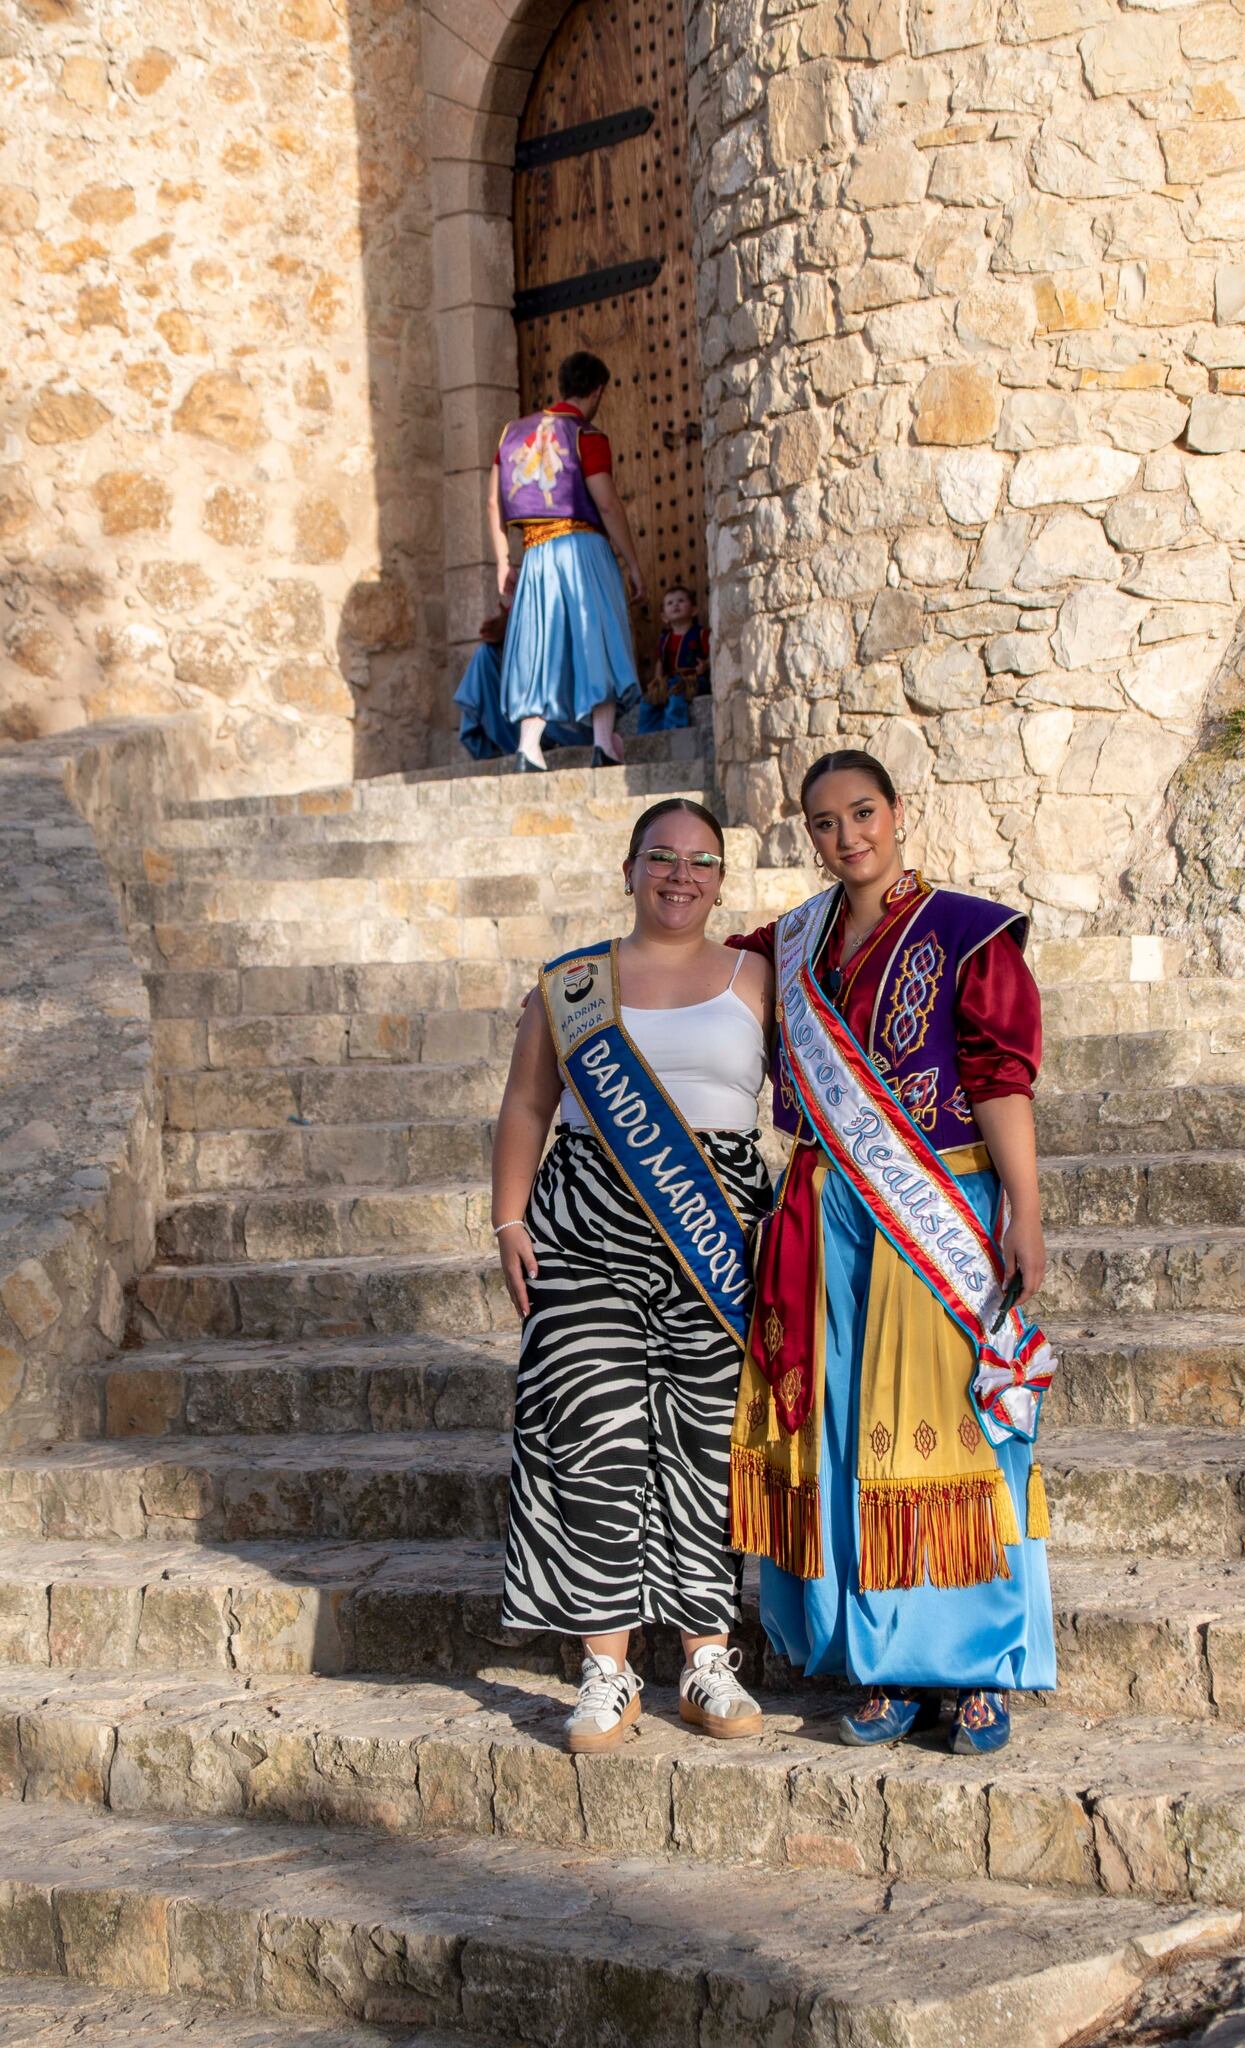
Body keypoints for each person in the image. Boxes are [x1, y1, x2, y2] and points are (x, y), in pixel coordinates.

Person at [726, 749, 1055, 1754]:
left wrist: (1025, 1209)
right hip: (825, 1212)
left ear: (899, 811)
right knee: (842, 1430)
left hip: (937, 1198)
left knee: (946, 1424)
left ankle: (981, 1664)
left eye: (861, 812)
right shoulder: (788, 946)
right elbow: (691, 993)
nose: (846, 836)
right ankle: (888, 1663)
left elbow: (999, 1076)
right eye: (823, 823)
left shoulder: (967, 932)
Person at [495, 798, 774, 1753]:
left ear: (721, 882)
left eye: (700, 863)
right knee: (592, 1433)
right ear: (628, 868)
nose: (680, 876)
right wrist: (505, 1219)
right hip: (584, 1225)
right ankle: (605, 1670)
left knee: (703, 1440)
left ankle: (704, 1660)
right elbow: (528, 1106)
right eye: (662, 858)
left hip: (717, 1229)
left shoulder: (758, 979)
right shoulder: (572, 984)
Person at [488, 350, 645, 774]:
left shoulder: (511, 434)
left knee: (538, 649)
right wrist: (631, 562)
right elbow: (607, 504)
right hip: (583, 549)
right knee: (598, 640)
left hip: (536, 553)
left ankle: (528, 747)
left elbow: (493, 501)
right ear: (596, 391)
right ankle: (602, 744)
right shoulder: (586, 435)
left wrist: (504, 561)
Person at [452, 607, 588, 762]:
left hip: (568, 702)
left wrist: (514, 626)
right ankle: (500, 750)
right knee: (485, 656)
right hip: (524, 709)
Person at [637, 585, 711, 735]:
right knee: (648, 702)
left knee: (676, 699)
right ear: (664, 617)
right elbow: (660, 661)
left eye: (681, 601)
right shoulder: (665, 639)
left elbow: (713, 655)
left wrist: (706, 665)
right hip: (670, 682)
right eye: (670, 603)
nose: (675, 604)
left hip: (693, 680)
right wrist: (658, 679)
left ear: (694, 610)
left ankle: (675, 734)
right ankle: (647, 736)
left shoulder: (701, 634)